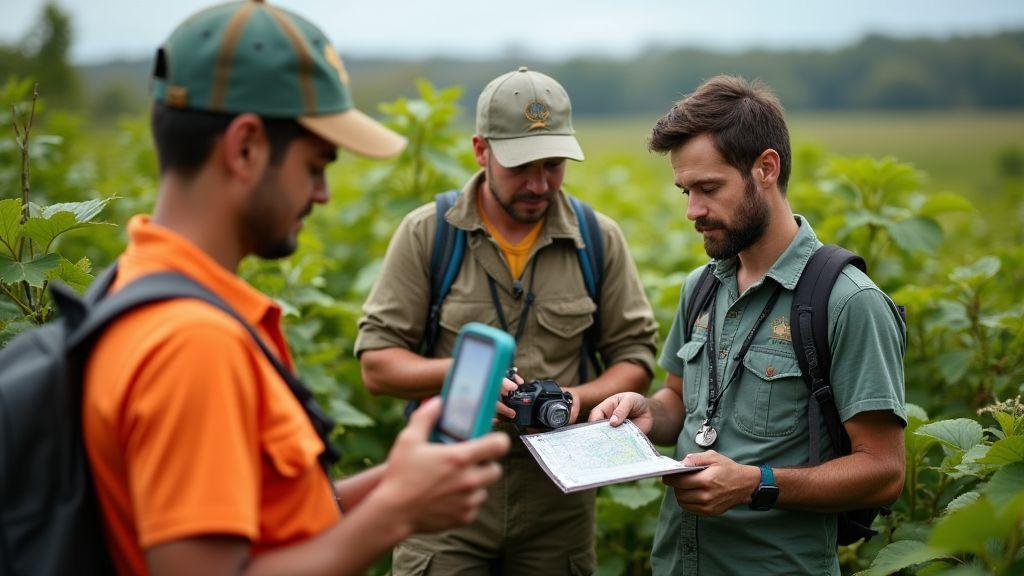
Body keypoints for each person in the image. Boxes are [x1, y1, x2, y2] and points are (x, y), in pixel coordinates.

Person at [83, 2, 510, 575]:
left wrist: (398, 483)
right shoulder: (194, 345)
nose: (323, 193)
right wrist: (394, 516)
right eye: (315, 165)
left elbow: (270, 523)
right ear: (245, 148)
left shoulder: (137, 287)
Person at [590, 75, 907, 575]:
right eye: (685, 191)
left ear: (766, 167)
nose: (693, 210)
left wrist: (755, 483)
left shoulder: (848, 301)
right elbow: (677, 401)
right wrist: (643, 413)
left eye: (709, 188)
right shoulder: (701, 285)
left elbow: (884, 472)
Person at [356, 67, 658, 574]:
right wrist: (466, 379)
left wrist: (571, 400)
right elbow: (377, 366)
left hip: (558, 503)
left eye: (554, 165)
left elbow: (635, 359)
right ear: (481, 149)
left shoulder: (597, 238)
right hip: (445, 493)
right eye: (521, 166)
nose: (539, 184)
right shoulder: (429, 235)